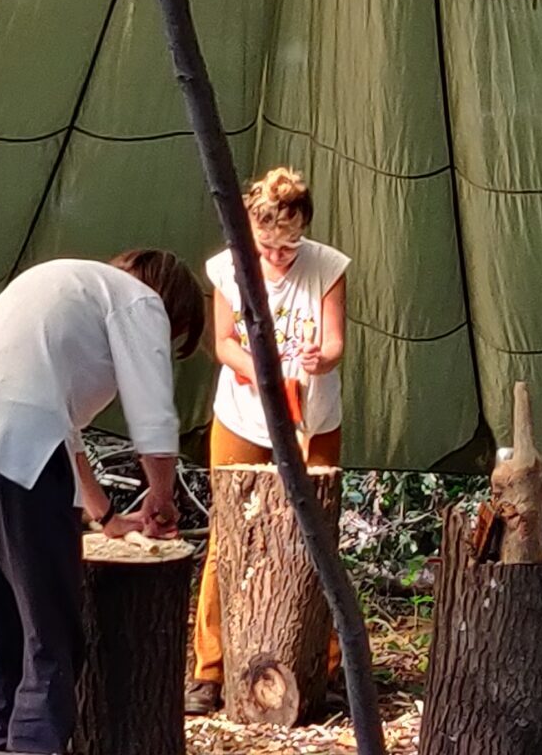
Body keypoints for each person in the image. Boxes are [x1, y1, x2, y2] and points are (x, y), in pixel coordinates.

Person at [0, 249, 204, 755]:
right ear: (170, 307)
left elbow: (65, 429)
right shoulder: (139, 301)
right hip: (19, 448)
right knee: (51, 629)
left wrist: (107, 516)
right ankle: (33, 746)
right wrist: (161, 495)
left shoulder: (56, 280)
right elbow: (152, 412)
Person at [185, 168, 349, 716]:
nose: (279, 256)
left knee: (314, 534)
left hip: (313, 418)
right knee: (227, 535)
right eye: (269, 246)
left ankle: (325, 666)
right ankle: (209, 671)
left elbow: (334, 345)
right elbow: (223, 342)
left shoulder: (326, 266)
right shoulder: (229, 267)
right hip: (242, 416)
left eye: (290, 244)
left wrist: (314, 360)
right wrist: (260, 370)